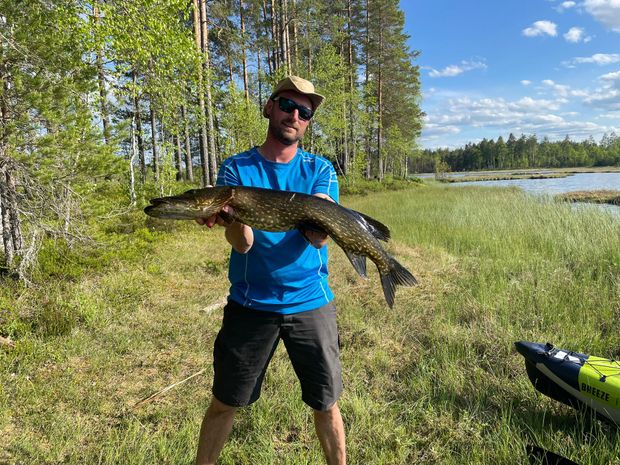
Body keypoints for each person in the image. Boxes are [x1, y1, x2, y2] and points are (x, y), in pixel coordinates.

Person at [194, 76, 346, 465]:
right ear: (269, 107)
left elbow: (318, 240)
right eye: (287, 105)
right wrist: (230, 219)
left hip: (310, 301)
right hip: (251, 303)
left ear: (308, 122)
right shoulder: (236, 168)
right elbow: (243, 244)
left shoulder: (320, 169)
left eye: (304, 112)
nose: (294, 115)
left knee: (326, 403)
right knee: (225, 402)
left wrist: (319, 221)